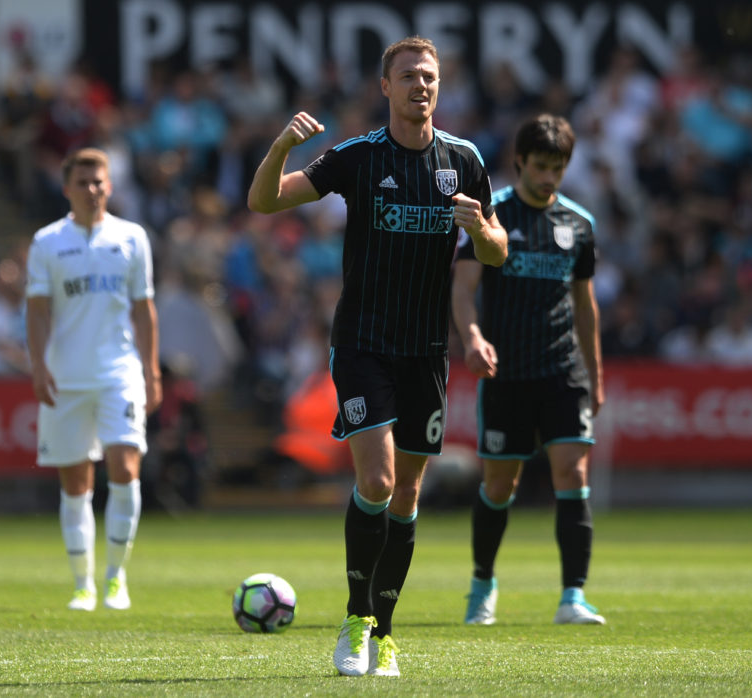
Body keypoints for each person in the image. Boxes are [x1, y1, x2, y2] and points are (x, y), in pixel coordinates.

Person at [247, 36, 507, 677]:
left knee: (408, 494)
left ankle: (384, 631)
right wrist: (283, 146)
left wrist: (480, 230)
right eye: (410, 76)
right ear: (385, 87)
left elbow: (499, 252)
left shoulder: (466, 160)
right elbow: (265, 200)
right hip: (362, 342)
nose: (422, 85)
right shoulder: (359, 157)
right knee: (378, 481)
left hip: (426, 350)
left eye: (431, 76)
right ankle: (355, 620)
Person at [451, 113, 606, 627]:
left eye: (558, 168)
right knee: (499, 486)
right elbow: (464, 288)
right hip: (507, 374)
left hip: (563, 371)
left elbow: (585, 306)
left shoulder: (579, 225)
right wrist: (472, 337)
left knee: (572, 473)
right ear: (519, 161)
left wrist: (596, 376)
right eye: (540, 166)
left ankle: (573, 596)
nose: (549, 177)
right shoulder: (492, 214)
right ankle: (482, 583)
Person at [25, 147, 161, 612]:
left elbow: (144, 309)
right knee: (75, 483)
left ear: (110, 185)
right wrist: (39, 366)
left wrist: (152, 369)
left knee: (125, 468)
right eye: (83, 182)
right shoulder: (47, 242)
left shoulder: (132, 237)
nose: (92, 189)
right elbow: (38, 311)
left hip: (118, 373)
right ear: (67, 189)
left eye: (99, 181)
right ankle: (82, 583)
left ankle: (116, 577)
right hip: (66, 378)